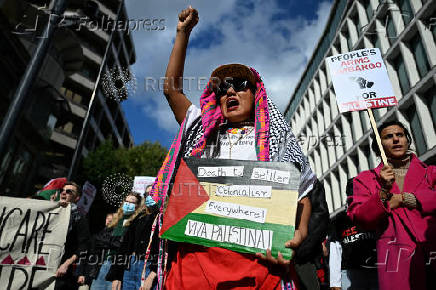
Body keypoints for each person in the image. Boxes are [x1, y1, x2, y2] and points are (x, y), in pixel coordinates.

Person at [147, 6, 326, 289]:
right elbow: (172, 90)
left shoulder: (277, 141)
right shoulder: (200, 131)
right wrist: (183, 33)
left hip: (256, 262)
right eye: (222, 89)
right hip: (195, 259)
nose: (230, 91)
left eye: (240, 85)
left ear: (256, 95)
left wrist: (299, 233)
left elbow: (302, 194)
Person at [347, 121, 436, 290]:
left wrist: (404, 199)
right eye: (388, 137)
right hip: (397, 260)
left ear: (408, 140)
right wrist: (383, 192)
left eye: (400, 135)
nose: (396, 140)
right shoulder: (365, 180)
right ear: (378, 146)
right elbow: (360, 218)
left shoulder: (430, 172)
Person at [330, 179, 377, 290]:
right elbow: (335, 251)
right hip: (350, 271)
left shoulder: (374, 213)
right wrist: (335, 282)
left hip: (376, 270)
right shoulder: (339, 220)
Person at [108, 195, 159, 290]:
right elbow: (125, 246)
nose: (150, 197)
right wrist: (117, 276)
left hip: (148, 267)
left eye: (153, 193)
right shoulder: (139, 217)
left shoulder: (164, 219)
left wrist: (153, 274)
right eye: (147, 194)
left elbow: (164, 250)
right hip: (130, 265)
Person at [55, 181, 91, 290]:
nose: (64, 193)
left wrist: (66, 264)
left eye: (69, 191)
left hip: (61, 270)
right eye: (62, 190)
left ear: (77, 198)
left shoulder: (80, 219)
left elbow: (83, 246)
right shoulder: (49, 213)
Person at [104, 192, 143, 290]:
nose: (128, 204)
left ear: (137, 206)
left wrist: (117, 275)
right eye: (126, 201)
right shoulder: (116, 220)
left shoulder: (135, 222)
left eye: (132, 202)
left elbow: (126, 248)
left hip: (119, 265)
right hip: (106, 262)